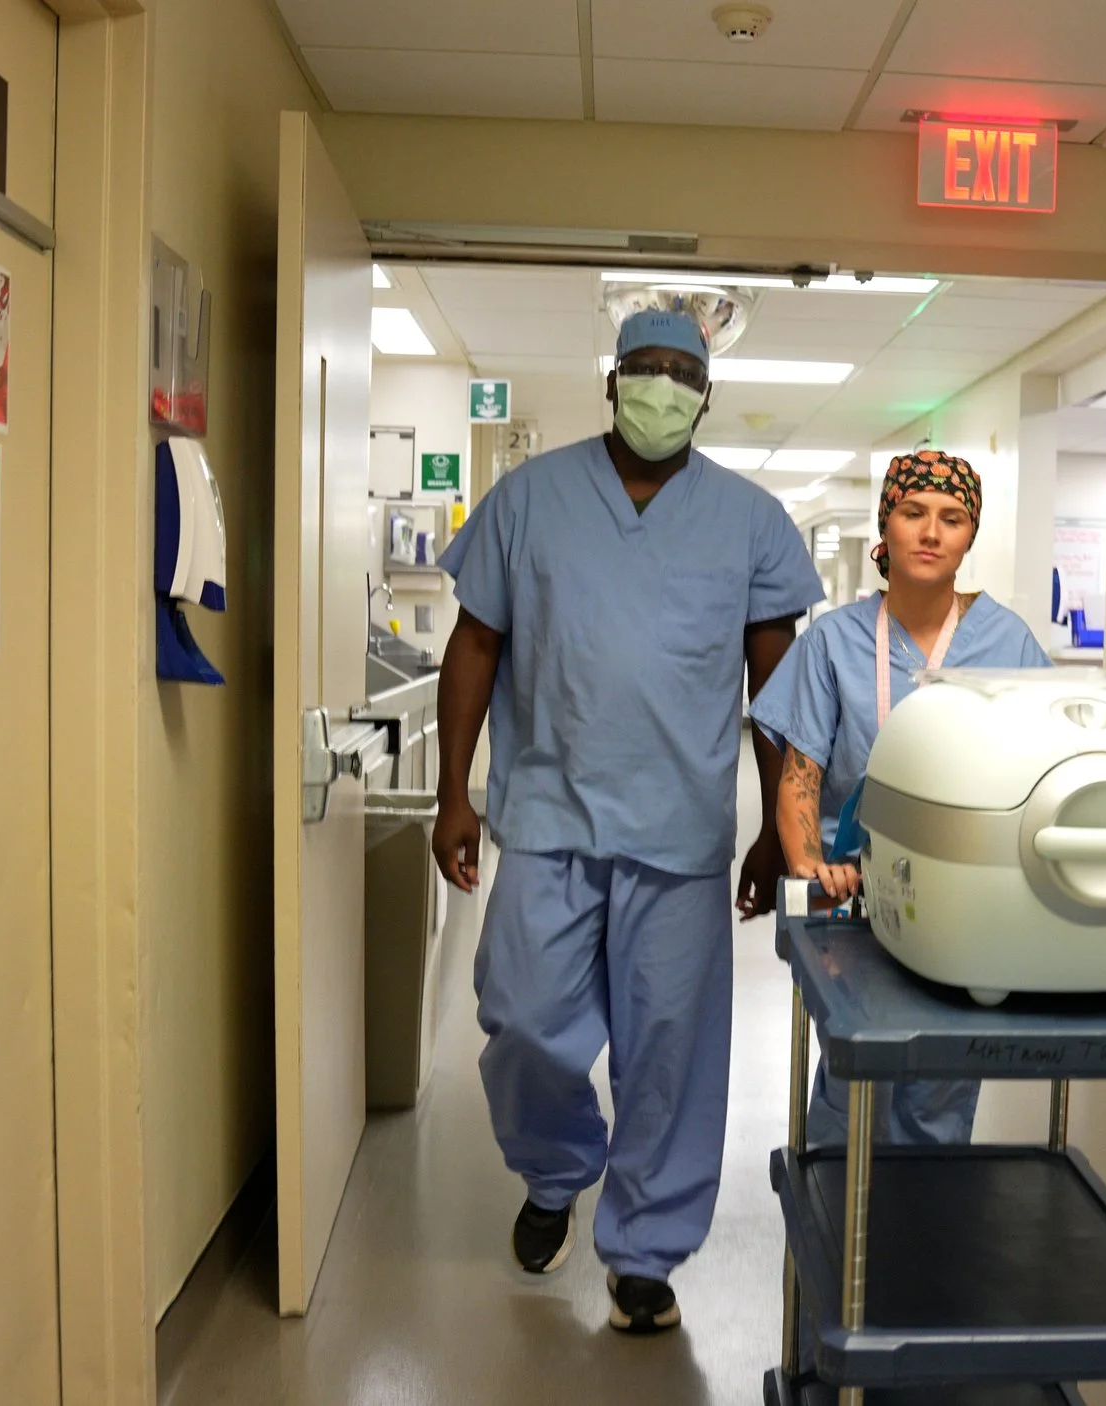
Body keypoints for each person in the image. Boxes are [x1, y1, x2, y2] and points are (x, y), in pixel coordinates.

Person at [431, 309, 823, 1335]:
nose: (661, 387)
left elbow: (775, 685)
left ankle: (645, 1247)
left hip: (680, 833)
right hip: (546, 816)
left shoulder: (750, 521)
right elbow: (474, 644)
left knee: (670, 1055)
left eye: (681, 373)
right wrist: (451, 790)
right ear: (611, 382)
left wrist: (780, 826)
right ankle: (556, 1170)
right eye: (644, 368)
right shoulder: (530, 498)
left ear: (706, 395)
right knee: (523, 1019)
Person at [749, 450, 1053, 1148]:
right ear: (886, 522)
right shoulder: (834, 642)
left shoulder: (1007, 641)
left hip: (964, 897)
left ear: (970, 536)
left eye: (952, 517)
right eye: (914, 512)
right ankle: (838, 1202)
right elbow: (801, 773)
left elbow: (1038, 767)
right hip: (852, 892)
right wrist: (810, 867)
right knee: (853, 1073)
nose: (931, 531)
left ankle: (921, 1212)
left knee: (941, 1082)